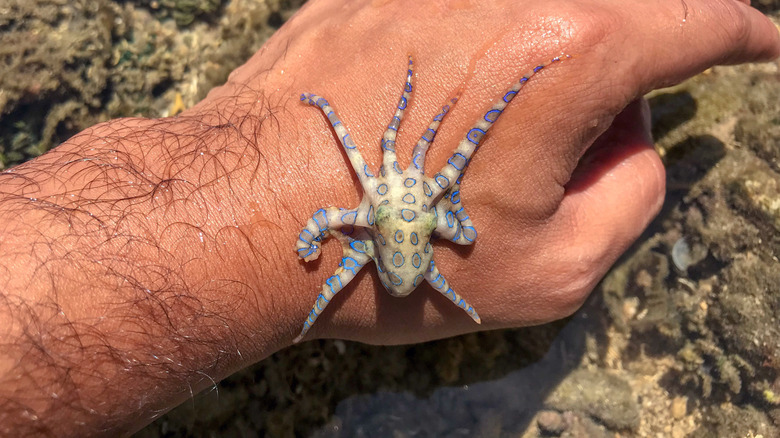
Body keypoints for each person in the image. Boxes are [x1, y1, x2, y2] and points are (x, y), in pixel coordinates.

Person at [0, 0, 777, 435]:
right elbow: (455, 168)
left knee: (402, 159)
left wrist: (288, 206)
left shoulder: (372, 204)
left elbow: (348, 154)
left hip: (393, 248)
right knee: (455, 145)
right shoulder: (424, 202)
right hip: (409, 253)